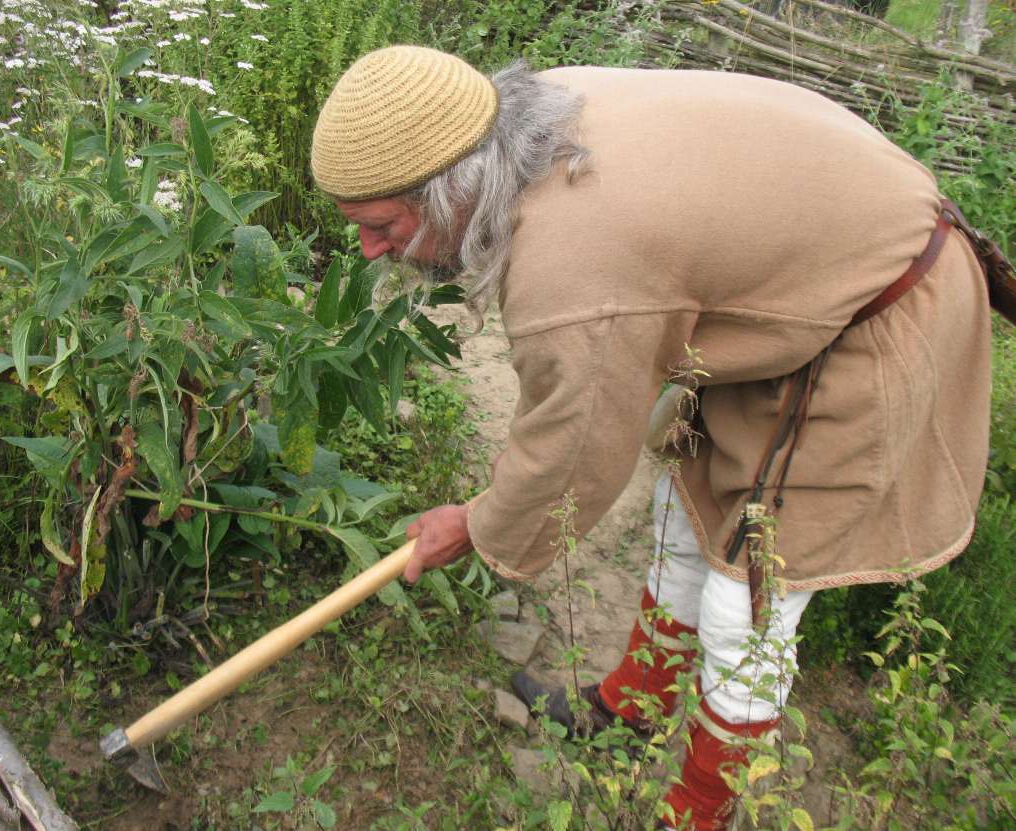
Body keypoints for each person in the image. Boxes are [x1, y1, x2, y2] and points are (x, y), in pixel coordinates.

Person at [311, 46, 996, 830]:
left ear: (448, 188)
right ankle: (630, 710)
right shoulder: (529, 117)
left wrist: (477, 522)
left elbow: (572, 447)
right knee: (685, 507)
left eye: (379, 225)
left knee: (750, 598)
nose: (366, 250)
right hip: (801, 265)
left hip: (880, 301)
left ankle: (694, 815)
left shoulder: (572, 261)